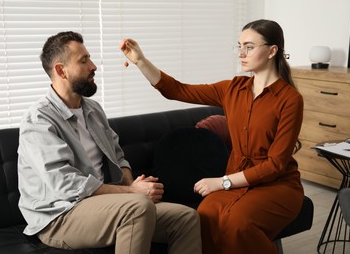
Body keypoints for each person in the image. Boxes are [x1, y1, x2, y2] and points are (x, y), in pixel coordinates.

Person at [120, 19, 304, 254]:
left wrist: (222, 182)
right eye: (239, 46)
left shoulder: (290, 100)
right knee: (204, 215)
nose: (241, 53)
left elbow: (276, 165)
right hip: (239, 183)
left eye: (249, 47)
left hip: (278, 186)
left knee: (238, 223)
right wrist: (140, 61)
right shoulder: (232, 89)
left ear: (272, 51)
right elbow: (177, 90)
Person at [17, 31, 202, 254]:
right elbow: (66, 185)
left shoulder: (93, 110)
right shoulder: (39, 119)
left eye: (90, 58)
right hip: (59, 216)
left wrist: (131, 184)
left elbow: (118, 156)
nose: (93, 66)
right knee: (138, 207)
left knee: (186, 218)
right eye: (83, 61)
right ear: (60, 70)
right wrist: (133, 193)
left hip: (102, 206)